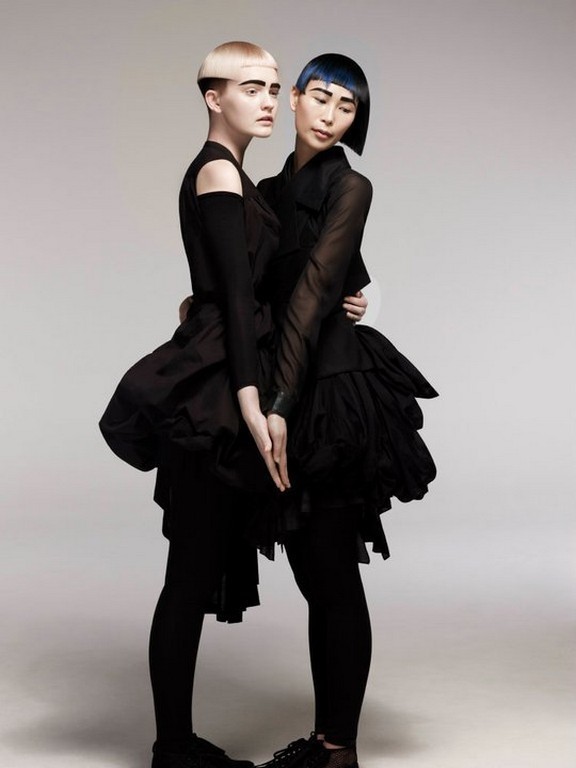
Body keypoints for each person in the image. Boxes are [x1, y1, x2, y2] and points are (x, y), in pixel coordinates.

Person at [99, 42, 366, 768]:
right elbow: (241, 294)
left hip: (243, 374)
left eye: (275, 87)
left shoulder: (255, 180)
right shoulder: (222, 171)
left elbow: (269, 280)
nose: (270, 100)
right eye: (254, 88)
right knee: (192, 572)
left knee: (212, 569)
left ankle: (207, 745)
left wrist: (345, 295)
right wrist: (254, 400)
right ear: (214, 97)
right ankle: (174, 747)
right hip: (224, 385)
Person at [253, 54, 438, 768]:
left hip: (326, 395)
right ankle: (328, 739)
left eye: (347, 107)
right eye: (321, 98)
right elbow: (259, 285)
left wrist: (280, 402)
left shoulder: (351, 184)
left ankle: (338, 749)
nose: (330, 116)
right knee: (313, 574)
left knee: (331, 574)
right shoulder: (267, 190)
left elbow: (314, 293)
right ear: (294, 100)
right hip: (284, 383)